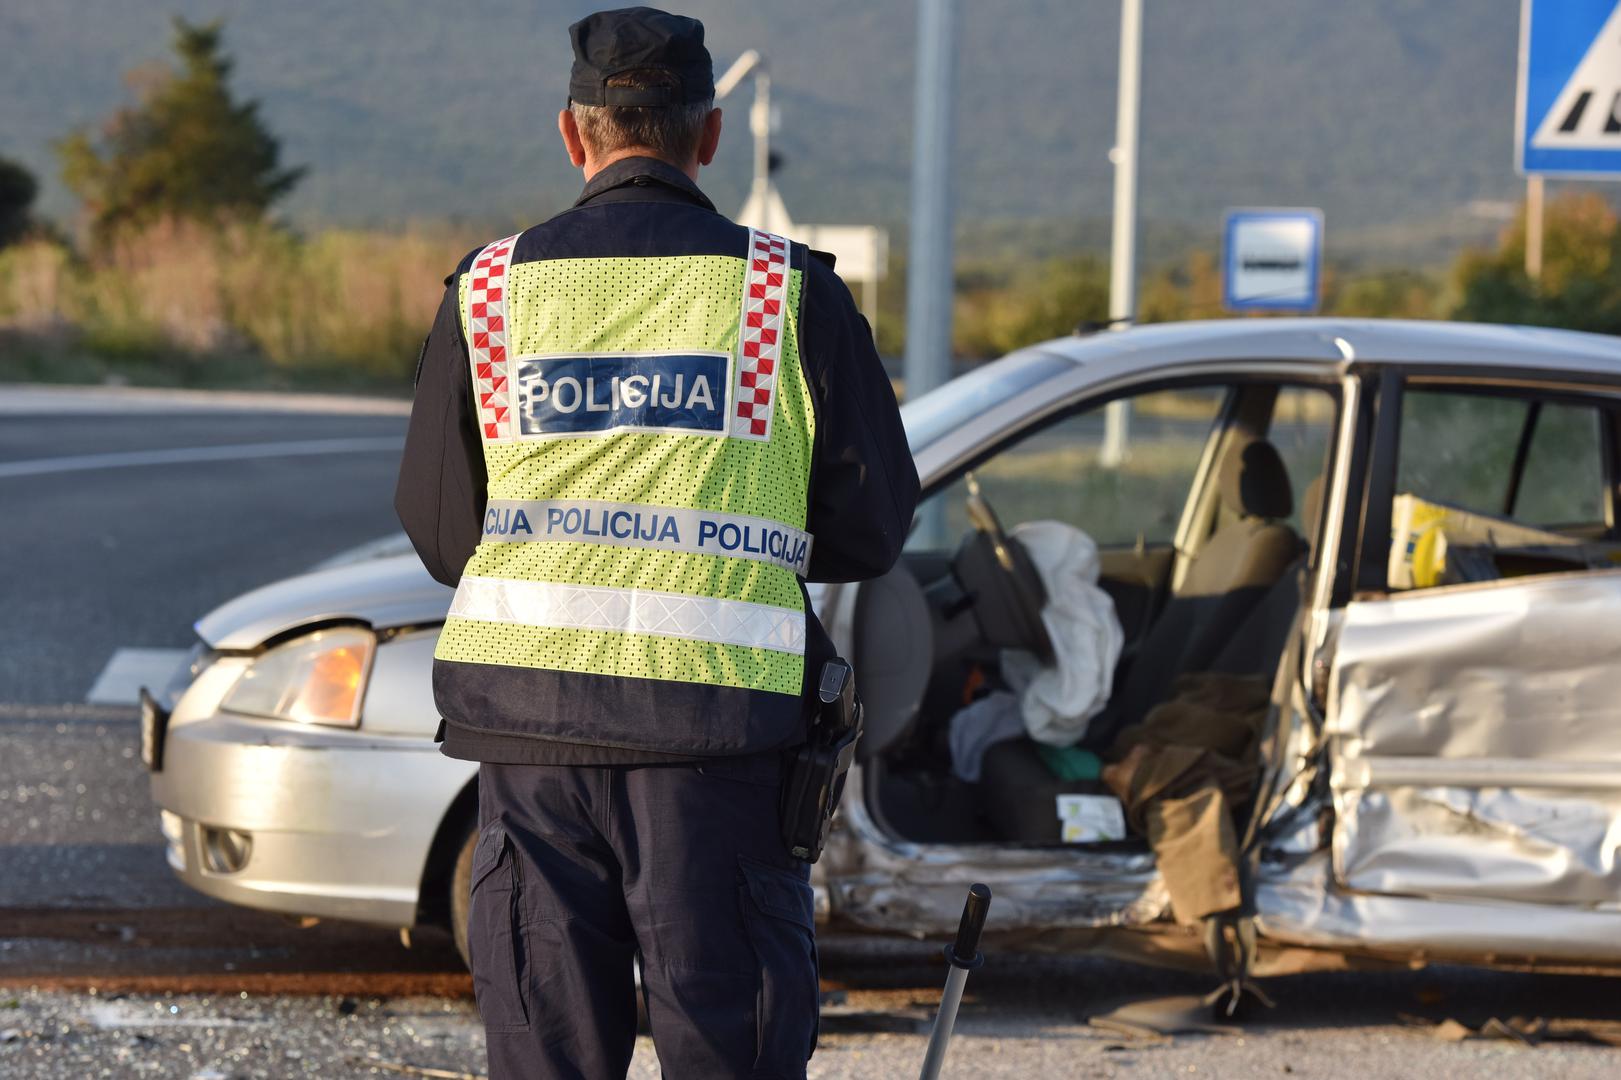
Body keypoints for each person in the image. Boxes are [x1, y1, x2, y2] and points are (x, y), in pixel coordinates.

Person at [393, 7, 918, 1078]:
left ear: (572, 133)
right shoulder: (787, 293)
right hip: (720, 741)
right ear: (709, 134)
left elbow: (445, 537)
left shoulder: (487, 292)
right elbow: (870, 528)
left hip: (529, 742)